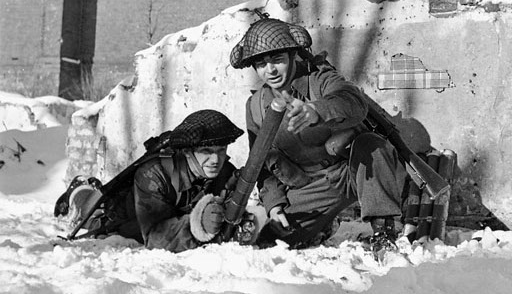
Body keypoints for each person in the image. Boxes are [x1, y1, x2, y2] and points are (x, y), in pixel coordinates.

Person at [230, 17, 408, 250]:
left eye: (278, 60)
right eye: (261, 64)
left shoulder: (320, 80)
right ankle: (323, 227)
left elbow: (353, 102)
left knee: (372, 145)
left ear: (293, 57)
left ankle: (384, 230)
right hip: (310, 188)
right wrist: (274, 204)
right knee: (270, 241)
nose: (270, 70)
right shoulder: (255, 107)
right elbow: (262, 164)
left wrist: (316, 110)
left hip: (352, 173)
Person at [60, 109, 245, 253]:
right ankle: (78, 190)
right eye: (206, 151)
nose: (216, 159)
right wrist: (198, 224)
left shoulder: (225, 172)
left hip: (163, 214)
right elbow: (155, 237)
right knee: (86, 211)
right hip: (117, 217)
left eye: (221, 150)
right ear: (188, 151)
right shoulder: (154, 173)